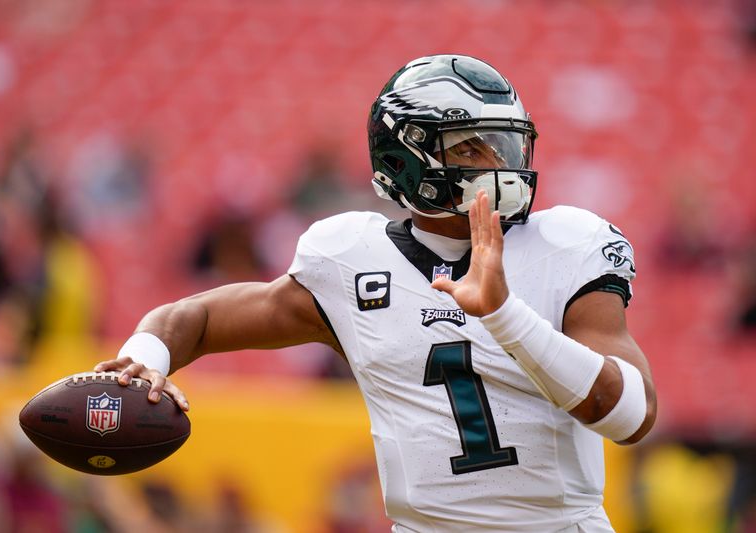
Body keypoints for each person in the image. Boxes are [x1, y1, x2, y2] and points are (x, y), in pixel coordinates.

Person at [95, 54, 657, 532]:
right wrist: (145, 360)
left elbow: (631, 415)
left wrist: (506, 316)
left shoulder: (567, 245)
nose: (499, 167)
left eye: (504, 148)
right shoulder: (350, 260)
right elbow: (198, 318)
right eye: (470, 150)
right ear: (405, 160)